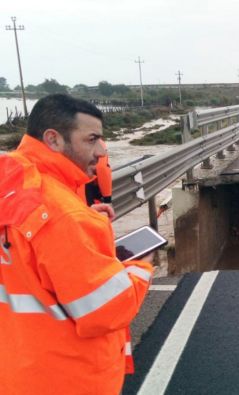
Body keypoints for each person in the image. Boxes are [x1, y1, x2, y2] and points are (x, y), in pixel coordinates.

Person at [0, 94, 154, 394]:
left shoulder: (13, 186)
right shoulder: (62, 215)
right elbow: (105, 310)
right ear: (54, 139)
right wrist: (138, 270)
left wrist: (80, 221)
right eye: (92, 139)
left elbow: (26, 253)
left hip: (17, 369)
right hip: (67, 378)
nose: (100, 151)